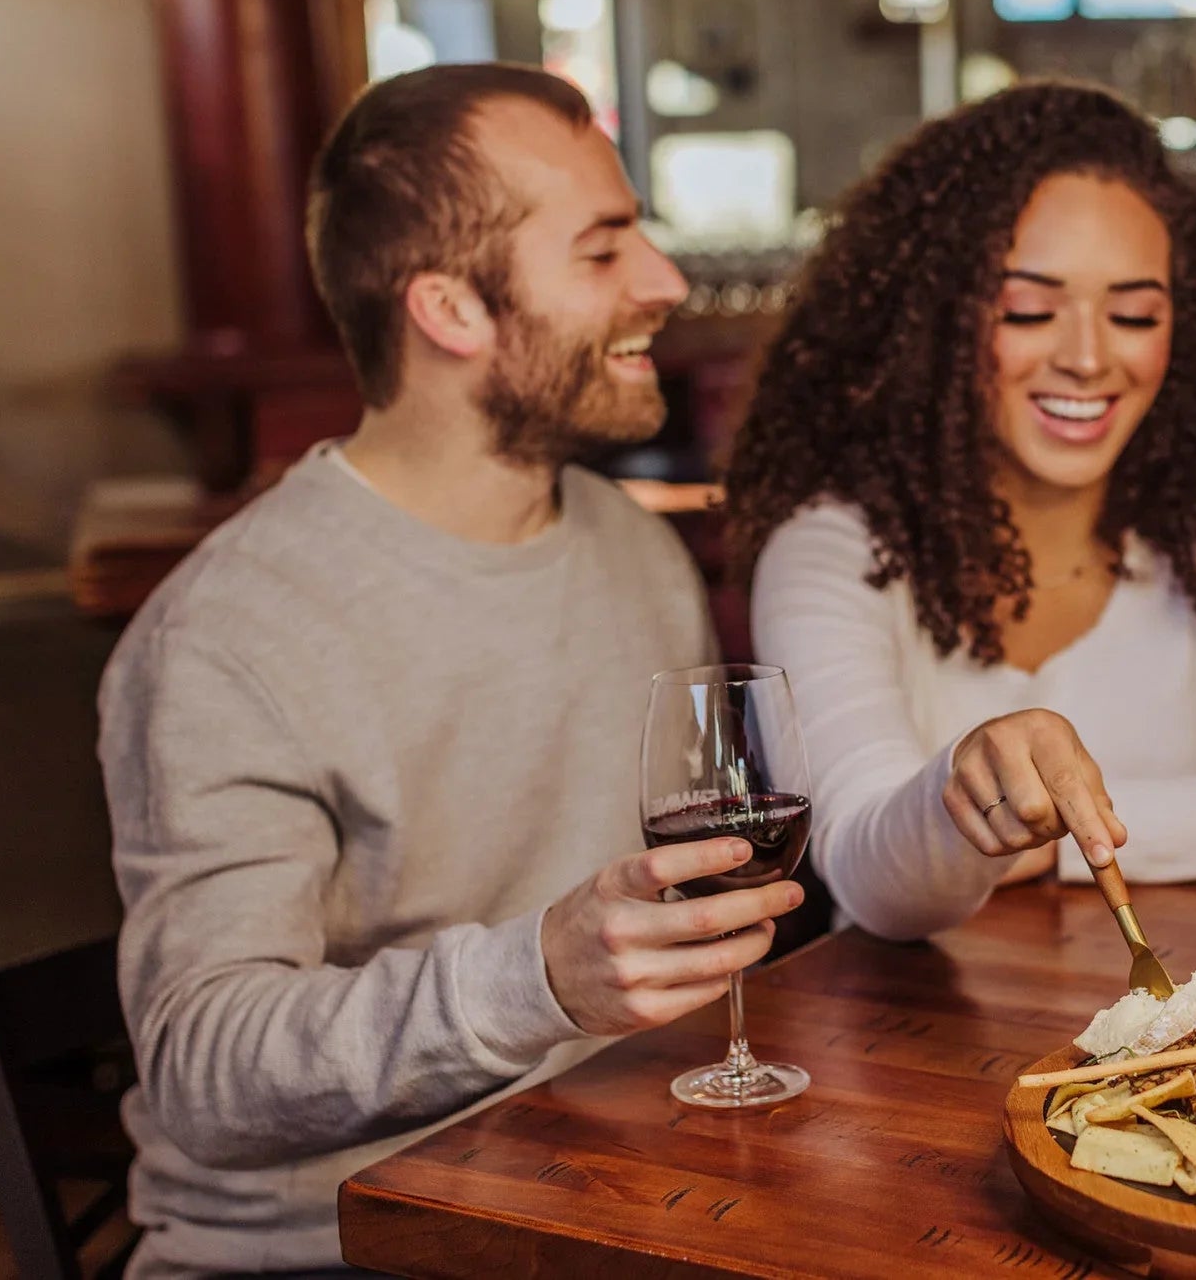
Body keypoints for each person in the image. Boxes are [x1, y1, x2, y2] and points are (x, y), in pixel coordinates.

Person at [98, 63, 804, 1278]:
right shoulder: (222, 633)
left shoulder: (632, 550)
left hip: (600, 1196)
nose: (666, 282)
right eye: (602, 249)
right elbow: (205, 1067)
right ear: (449, 309)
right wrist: (538, 974)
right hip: (326, 1251)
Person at [723, 81, 1196, 942]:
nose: (1087, 357)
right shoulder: (830, 547)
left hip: (1186, 1037)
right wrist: (965, 792)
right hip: (922, 1050)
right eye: (1030, 308)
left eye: (1135, 313)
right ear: (935, 321)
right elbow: (873, 887)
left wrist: (1062, 838)